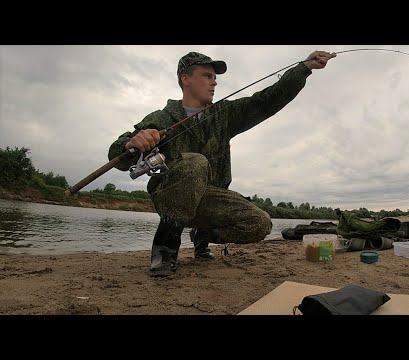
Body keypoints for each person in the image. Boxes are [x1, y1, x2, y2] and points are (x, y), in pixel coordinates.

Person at [108, 49, 336, 277]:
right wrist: (132, 143)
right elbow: (116, 154)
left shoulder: (225, 114)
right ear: (185, 78)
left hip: (209, 199)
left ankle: (203, 236)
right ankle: (164, 251)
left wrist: (304, 68)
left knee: (260, 223)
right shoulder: (161, 118)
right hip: (170, 199)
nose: (214, 82)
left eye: (215, 78)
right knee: (194, 163)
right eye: (207, 76)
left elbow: (268, 100)